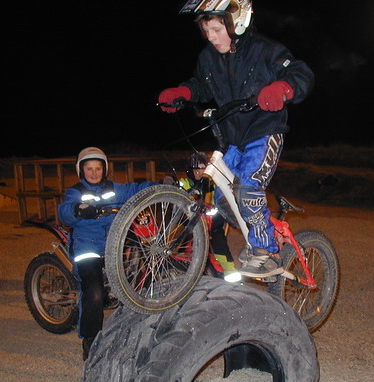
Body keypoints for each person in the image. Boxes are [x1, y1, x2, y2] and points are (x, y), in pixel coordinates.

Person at [158, 0, 314, 278]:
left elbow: (300, 73)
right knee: (222, 199)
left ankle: (265, 252)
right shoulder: (208, 57)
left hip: (264, 131)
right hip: (231, 136)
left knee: (248, 186)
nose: (211, 37)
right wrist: (183, 92)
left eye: (216, 29)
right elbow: (201, 85)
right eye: (206, 31)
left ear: (237, 22)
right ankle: (265, 229)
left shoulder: (265, 50)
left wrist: (283, 87)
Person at [57, 147, 156, 360]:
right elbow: (64, 211)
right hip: (87, 248)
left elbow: (135, 189)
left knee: (135, 282)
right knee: (94, 292)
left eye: (98, 168)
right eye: (89, 168)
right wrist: (78, 209)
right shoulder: (76, 191)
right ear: (81, 170)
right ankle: (90, 340)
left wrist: (160, 185)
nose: (94, 172)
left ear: (105, 169)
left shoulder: (113, 189)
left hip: (112, 246)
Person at [180, 151, 241, 283]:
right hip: (192, 221)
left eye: (202, 169)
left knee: (218, 241)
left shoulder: (215, 185)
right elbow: (178, 187)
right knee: (182, 240)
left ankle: (230, 273)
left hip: (213, 222)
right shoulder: (186, 183)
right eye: (195, 170)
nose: (199, 173)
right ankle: (182, 270)